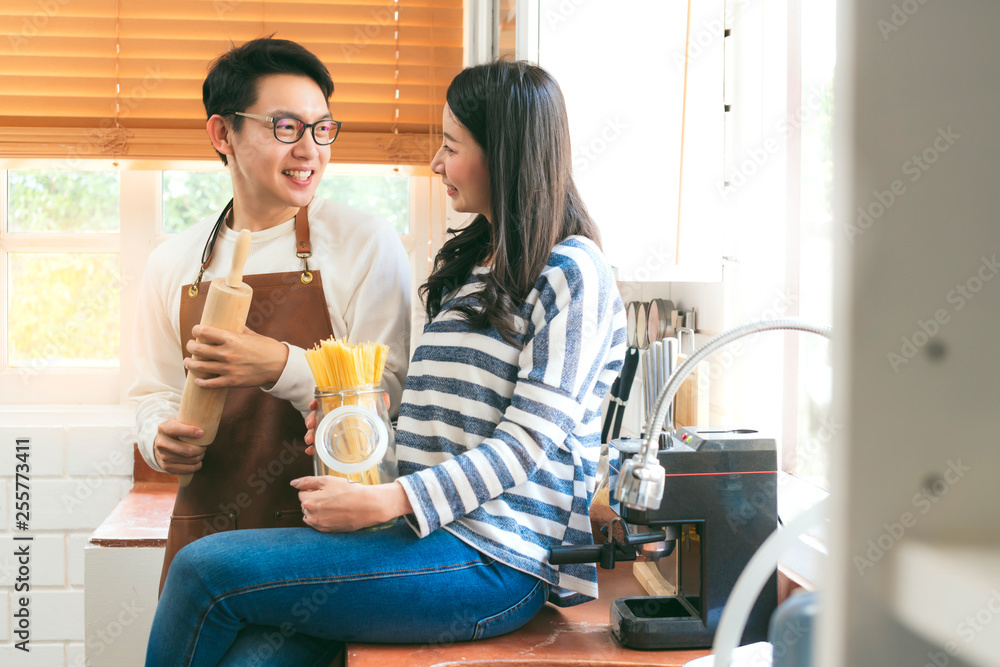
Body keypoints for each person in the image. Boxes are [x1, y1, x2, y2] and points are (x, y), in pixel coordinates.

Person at [145, 59, 626, 667]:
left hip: (494, 561)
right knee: (253, 659)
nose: (435, 163)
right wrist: (359, 439)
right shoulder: (474, 271)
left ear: (503, 154)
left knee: (201, 569)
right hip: (421, 542)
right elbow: (433, 434)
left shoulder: (573, 271)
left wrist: (387, 500)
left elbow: (528, 444)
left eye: (451, 146)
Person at [128, 37, 411, 593]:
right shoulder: (173, 261)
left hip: (325, 544)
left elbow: (387, 396)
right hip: (204, 534)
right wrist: (158, 436)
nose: (309, 149)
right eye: (285, 127)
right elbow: (151, 392)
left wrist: (278, 364)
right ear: (222, 134)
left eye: (321, 128)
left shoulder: (364, 244)